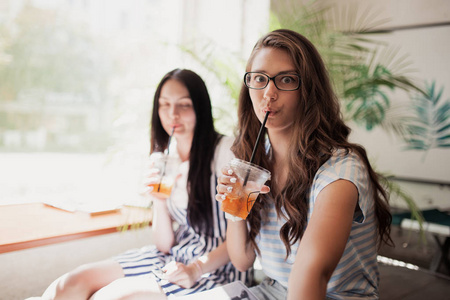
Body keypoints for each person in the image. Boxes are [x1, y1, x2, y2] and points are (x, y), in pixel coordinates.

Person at [34, 69, 252, 300]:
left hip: (218, 266)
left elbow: (242, 239)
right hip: (176, 255)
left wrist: (195, 269)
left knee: (110, 297)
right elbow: (164, 244)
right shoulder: (163, 158)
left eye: (184, 105)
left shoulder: (226, 152)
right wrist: (158, 202)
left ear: (201, 107)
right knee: (68, 285)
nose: (172, 115)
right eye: (164, 105)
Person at [215, 29, 393, 300]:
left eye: (286, 79)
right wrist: (233, 208)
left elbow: (311, 274)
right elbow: (242, 260)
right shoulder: (255, 158)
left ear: (308, 89)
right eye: (259, 79)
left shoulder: (339, 171)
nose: (269, 93)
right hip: (273, 292)